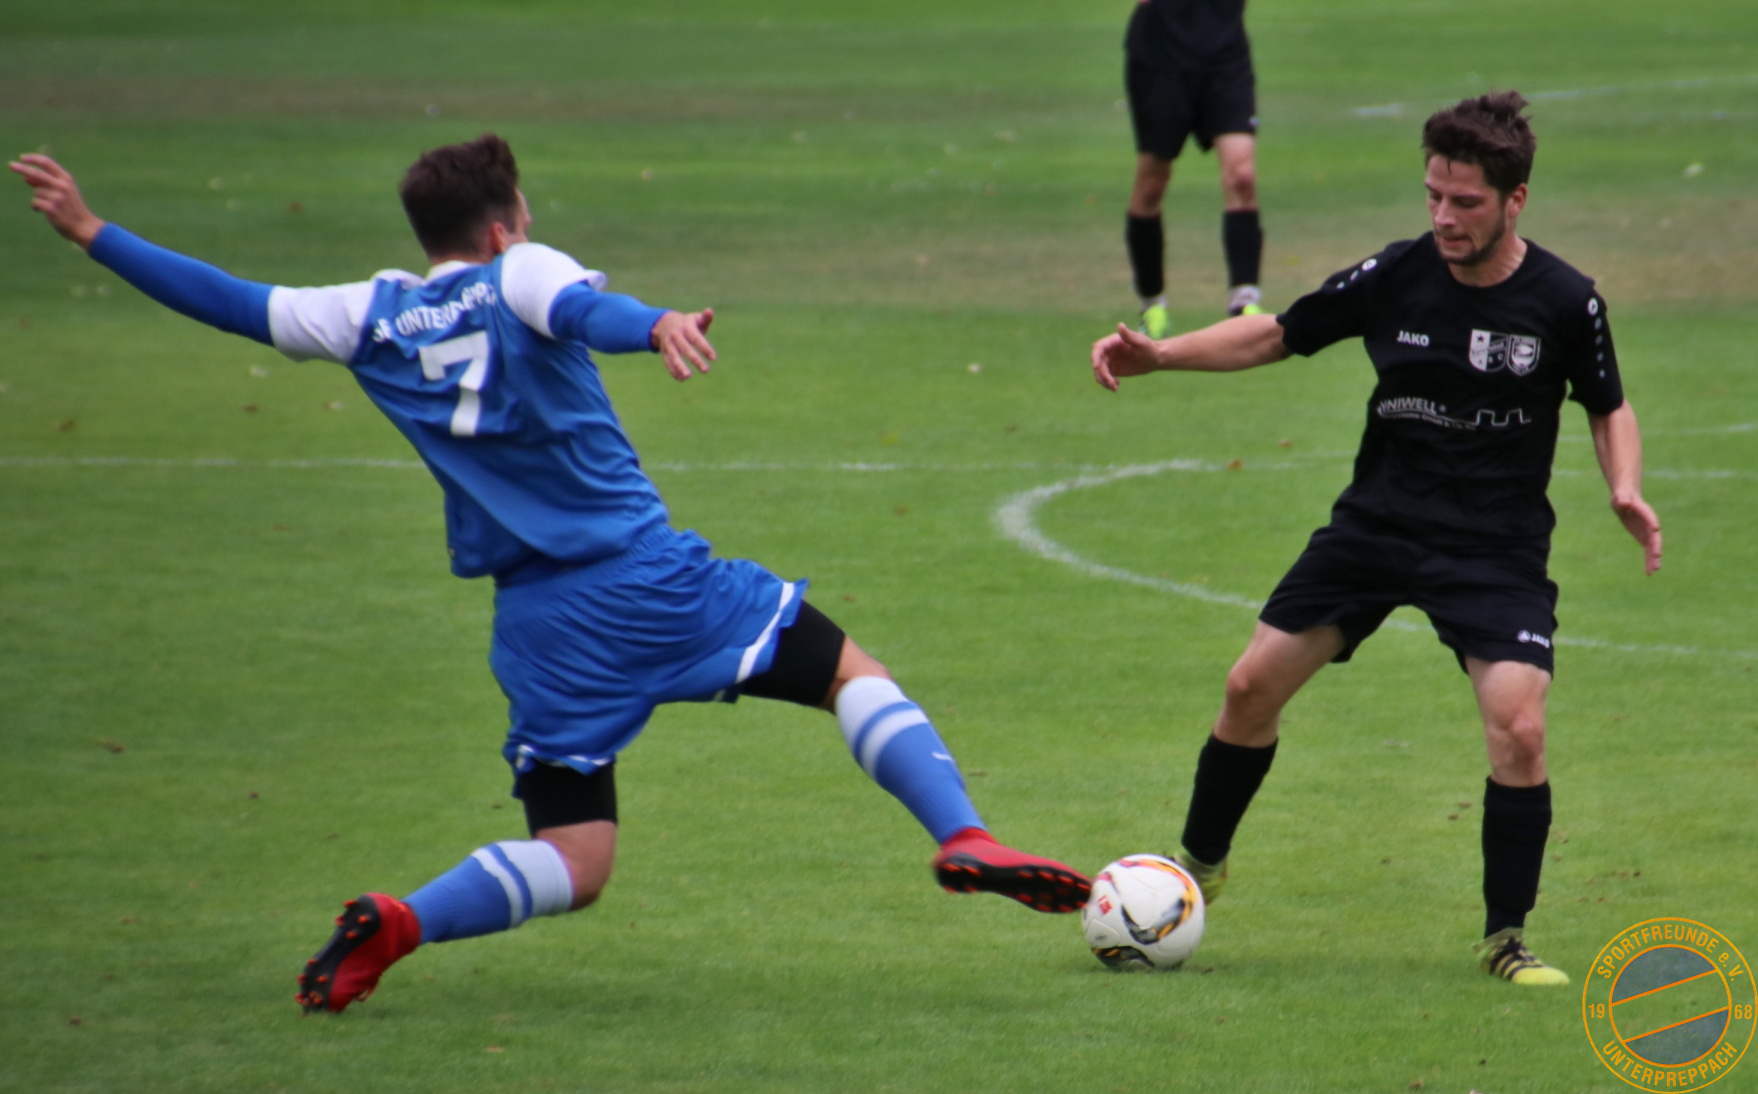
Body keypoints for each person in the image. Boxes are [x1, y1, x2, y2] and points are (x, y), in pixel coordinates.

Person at [12, 135, 1091, 1015]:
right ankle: (962, 834)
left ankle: (401, 921)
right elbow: (577, 309)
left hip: (537, 622)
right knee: (851, 673)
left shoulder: (368, 314)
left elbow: (231, 299)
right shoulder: (519, 269)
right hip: (646, 581)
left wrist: (94, 231)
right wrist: (655, 323)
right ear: (504, 222)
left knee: (575, 858)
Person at [1089, 92, 1662, 985]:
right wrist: (1163, 355)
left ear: (1515, 200)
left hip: (1493, 548)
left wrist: (1623, 485)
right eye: (1433, 195)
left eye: (1465, 201)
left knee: (1519, 727)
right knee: (1248, 687)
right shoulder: (1395, 274)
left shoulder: (1564, 299)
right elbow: (1278, 334)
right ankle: (1196, 868)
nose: (1444, 216)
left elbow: (1607, 404)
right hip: (1377, 527)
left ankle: (1505, 937)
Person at [1123, 0, 1265, 339]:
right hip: (1160, 53)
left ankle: (1244, 302)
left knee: (1242, 176)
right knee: (1152, 182)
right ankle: (1152, 304)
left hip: (1225, 47)